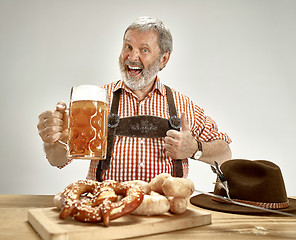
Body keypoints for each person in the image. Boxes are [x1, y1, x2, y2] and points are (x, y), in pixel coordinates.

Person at [37, 16, 232, 182]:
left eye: (144, 49)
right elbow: (57, 160)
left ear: (163, 59)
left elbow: (225, 154)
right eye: (128, 46)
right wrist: (53, 140)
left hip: (165, 213)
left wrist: (194, 149)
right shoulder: (95, 102)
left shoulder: (183, 106)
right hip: (106, 210)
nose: (132, 56)